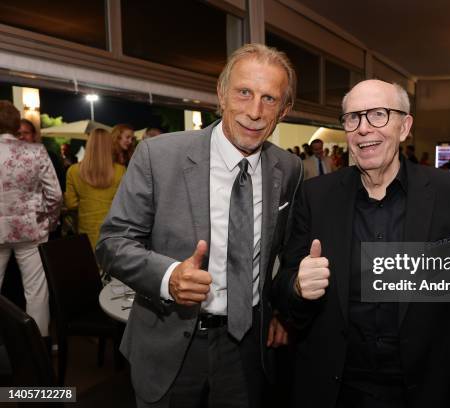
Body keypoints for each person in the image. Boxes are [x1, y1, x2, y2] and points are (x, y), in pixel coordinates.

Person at [96, 43, 302, 408]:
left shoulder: (288, 169)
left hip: (246, 349)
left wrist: (281, 313)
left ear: (283, 110)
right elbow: (113, 242)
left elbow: (282, 253)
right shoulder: (159, 156)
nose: (255, 112)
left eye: (269, 99)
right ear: (221, 94)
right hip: (169, 342)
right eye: (244, 92)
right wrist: (168, 276)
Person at [273, 80, 450, 408]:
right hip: (339, 387)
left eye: (378, 115)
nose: (364, 128)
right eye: (353, 118)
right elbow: (282, 286)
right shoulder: (315, 196)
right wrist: (296, 285)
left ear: (404, 126)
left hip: (430, 385)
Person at [0, 100, 62, 341]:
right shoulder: (36, 151)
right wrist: (50, 220)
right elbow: (55, 195)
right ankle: (37, 348)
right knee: (36, 290)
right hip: (31, 229)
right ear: (16, 125)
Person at [64, 128, 126, 250]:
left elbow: (71, 204)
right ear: (110, 146)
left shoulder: (73, 171)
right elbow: (125, 203)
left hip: (86, 229)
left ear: (89, 145)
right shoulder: (120, 171)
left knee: (90, 265)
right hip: (113, 230)